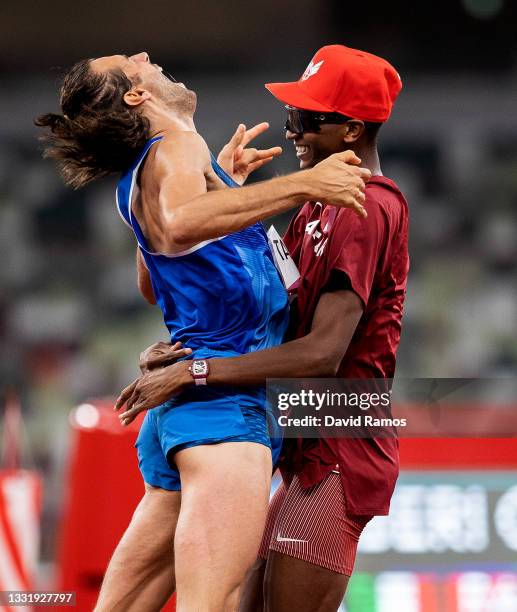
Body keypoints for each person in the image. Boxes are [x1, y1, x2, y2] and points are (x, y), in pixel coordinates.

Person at [35, 51, 370, 612]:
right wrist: (305, 184)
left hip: (185, 411)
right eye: (130, 62)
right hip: (225, 412)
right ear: (137, 97)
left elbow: (160, 270)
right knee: (210, 602)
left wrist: (226, 188)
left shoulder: (147, 173)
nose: (145, 56)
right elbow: (183, 223)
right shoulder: (177, 146)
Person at [117, 45, 409, 612]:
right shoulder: (315, 206)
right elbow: (275, 308)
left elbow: (322, 353)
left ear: (350, 130)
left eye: (305, 119)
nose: (293, 131)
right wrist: (219, 189)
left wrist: (195, 372)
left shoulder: (364, 207)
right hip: (301, 438)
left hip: (342, 440)